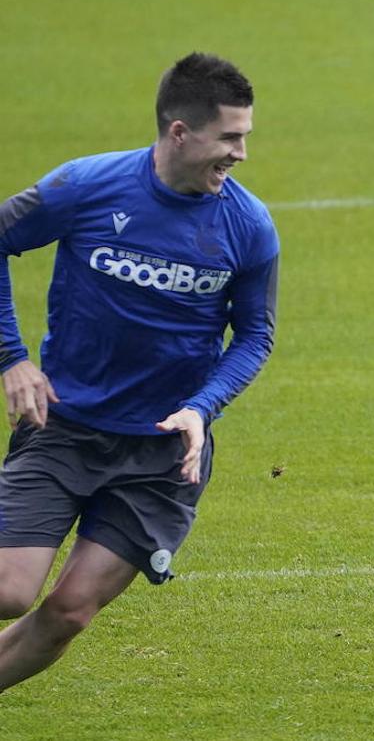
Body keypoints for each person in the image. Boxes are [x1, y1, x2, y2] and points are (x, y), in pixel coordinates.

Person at [0, 52, 279, 691]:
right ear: (181, 131)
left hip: (162, 456)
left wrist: (202, 408)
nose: (241, 154)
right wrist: (12, 359)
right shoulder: (84, 187)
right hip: (65, 428)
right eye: (230, 137)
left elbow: (256, 334)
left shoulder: (248, 225)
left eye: (246, 137)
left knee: (69, 611)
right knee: (11, 591)